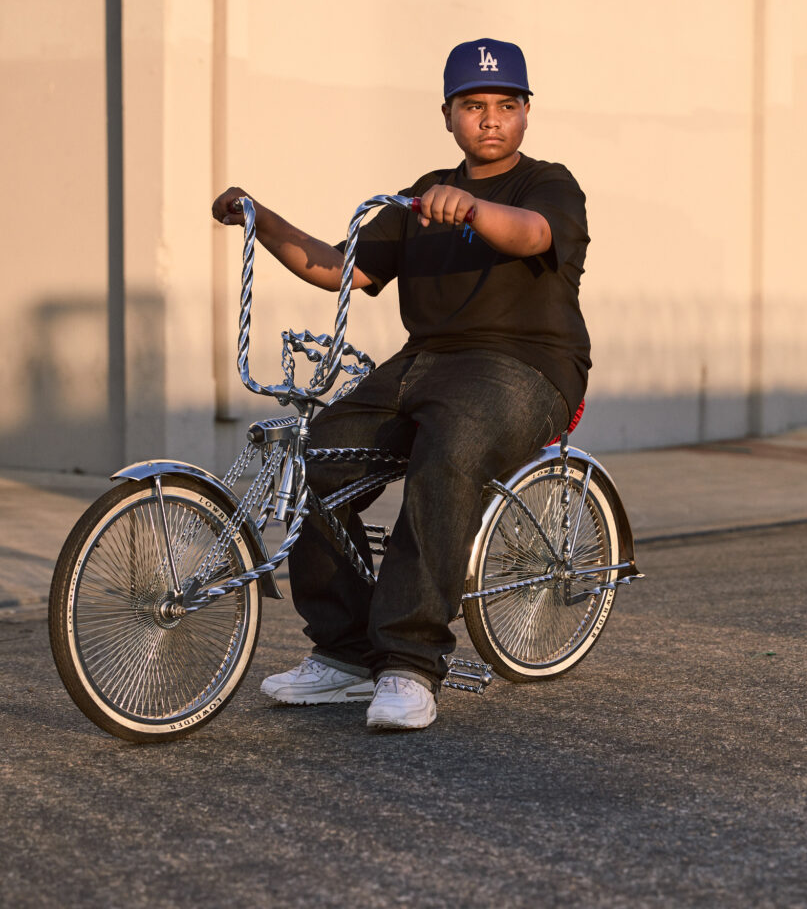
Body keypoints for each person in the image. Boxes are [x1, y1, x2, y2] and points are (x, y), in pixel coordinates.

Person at [211, 38, 591, 731]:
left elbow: (533, 235)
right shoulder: (421, 195)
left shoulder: (547, 184)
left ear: (526, 113)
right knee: (315, 455)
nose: (489, 119)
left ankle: (411, 664)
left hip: (526, 366)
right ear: (447, 115)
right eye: (472, 106)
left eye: (505, 105)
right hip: (425, 363)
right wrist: (260, 219)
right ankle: (346, 654)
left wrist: (471, 208)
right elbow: (340, 268)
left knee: (449, 451)